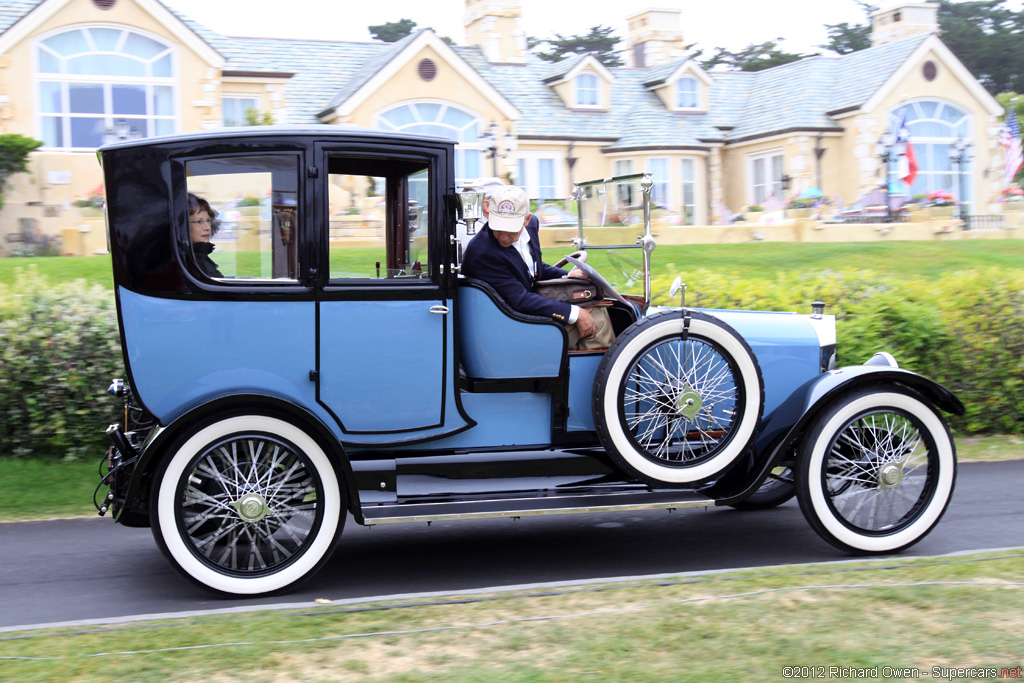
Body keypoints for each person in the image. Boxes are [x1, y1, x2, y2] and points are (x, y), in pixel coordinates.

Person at [462, 185, 614, 350]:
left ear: (527, 220)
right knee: (598, 321)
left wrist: (570, 276)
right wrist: (576, 314)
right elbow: (520, 300)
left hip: (518, 312)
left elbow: (533, 269)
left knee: (599, 307)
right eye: (498, 229)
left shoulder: (532, 226)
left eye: (511, 230)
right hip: (507, 327)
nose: (504, 238)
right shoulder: (483, 253)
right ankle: (605, 374)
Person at [188, 193, 223, 278]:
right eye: (199, 222)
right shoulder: (192, 261)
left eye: (208, 221)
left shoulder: (197, 256)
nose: (207, 227)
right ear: (183, 227)